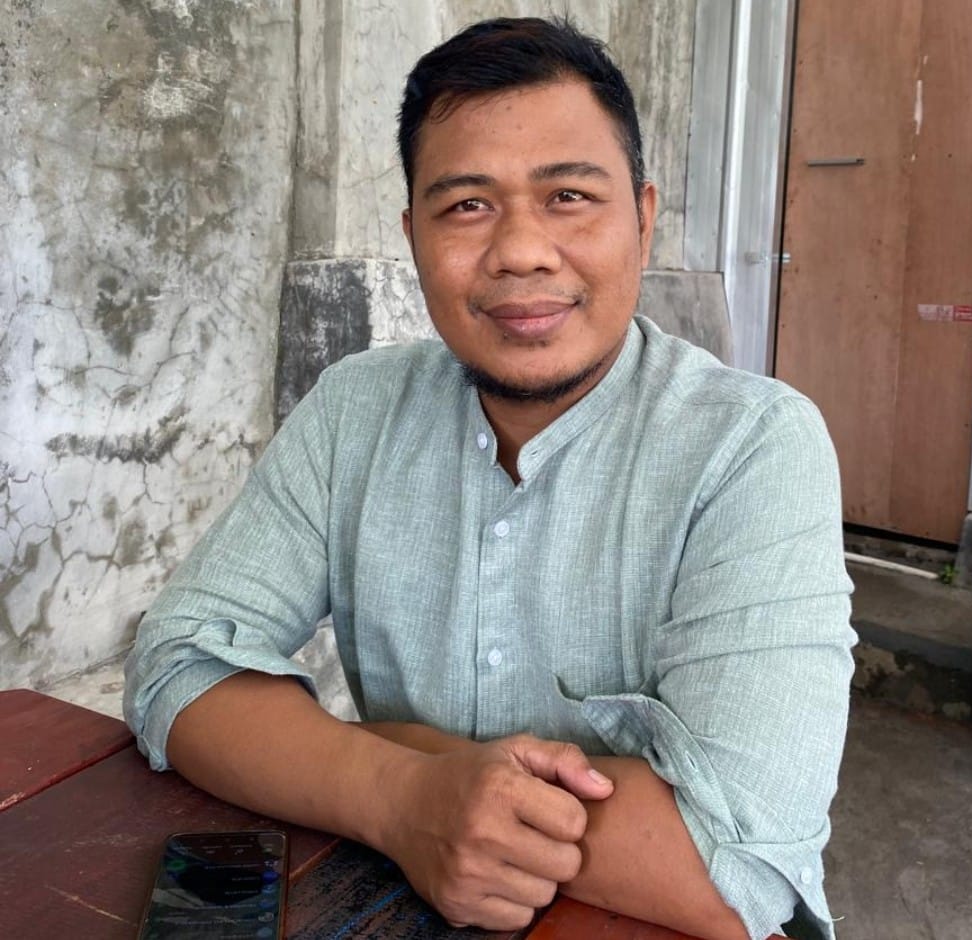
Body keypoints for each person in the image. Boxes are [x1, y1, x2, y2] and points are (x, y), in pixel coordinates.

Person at [124, 16, 855, 940]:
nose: (520, 251)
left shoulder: (751, 446)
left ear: (642, 217)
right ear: (413, 236)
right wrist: (401, 795)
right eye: (467, 205)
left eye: (569, 196)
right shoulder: (354, 412)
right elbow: (178, 667)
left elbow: (733, 863)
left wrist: (387, 755)